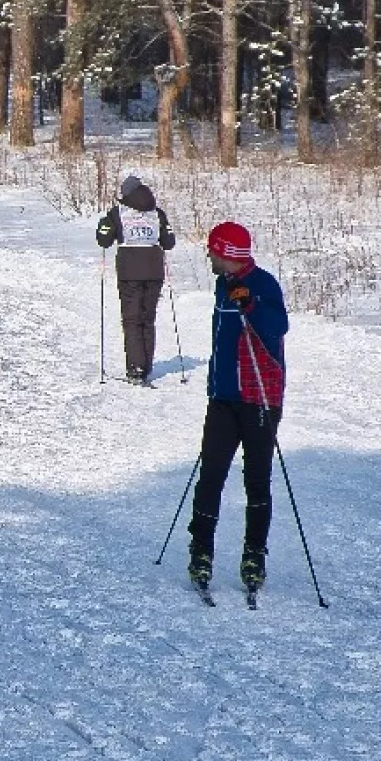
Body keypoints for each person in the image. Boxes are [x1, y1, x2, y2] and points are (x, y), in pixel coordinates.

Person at [186, 221, 289, 598]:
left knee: (257, 480)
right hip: (224, 399)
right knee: (210, 476)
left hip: (260, 397)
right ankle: (201, 552)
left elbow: (279, 326)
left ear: (226, 254)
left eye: (212, 251)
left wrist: (252, 306)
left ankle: (254, 555)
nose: (209, 256)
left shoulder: (262, 284)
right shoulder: (222, 286)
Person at [95, 174, 178, 385]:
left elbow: (103, 239)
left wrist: (103, 226)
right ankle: (146, 367)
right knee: (147, 319)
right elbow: (169, 242)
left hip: (129, 270)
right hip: (154, 269)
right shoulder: (157, 213)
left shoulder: (118, 213)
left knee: (131, 319)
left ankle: (136, 368)